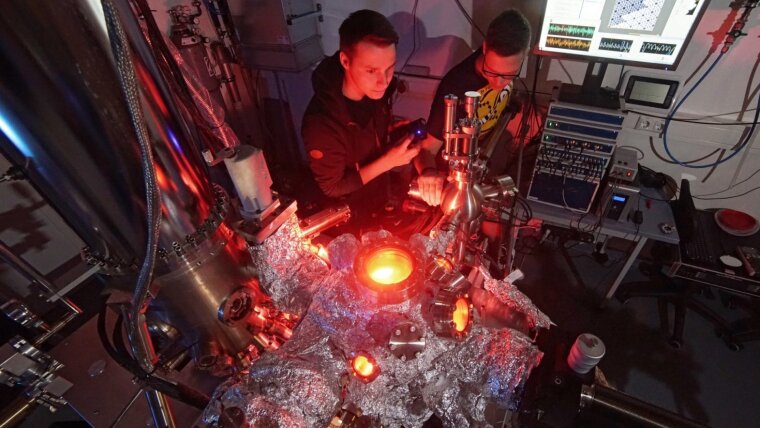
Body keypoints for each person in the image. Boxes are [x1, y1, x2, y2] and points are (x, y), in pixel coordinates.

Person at [302, 9, 420, 230]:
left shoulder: (375, 94)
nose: (383, 81)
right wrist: (388, 162)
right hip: (345, 217)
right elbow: (332, 187)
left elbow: (365, 137)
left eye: (390, 68)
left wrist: (391, 135)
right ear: (345, 61)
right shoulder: (321, 123)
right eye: (371, 70)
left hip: (377, 200)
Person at [414, 9, 532, 206]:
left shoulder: (503, 65)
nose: (498, 82)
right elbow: (425, 149)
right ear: (485, 48)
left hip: (481, 163)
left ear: (525, 53)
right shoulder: (456, 86)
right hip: (449, 184)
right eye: (492, 72)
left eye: (509, 74)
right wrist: (428, 173)